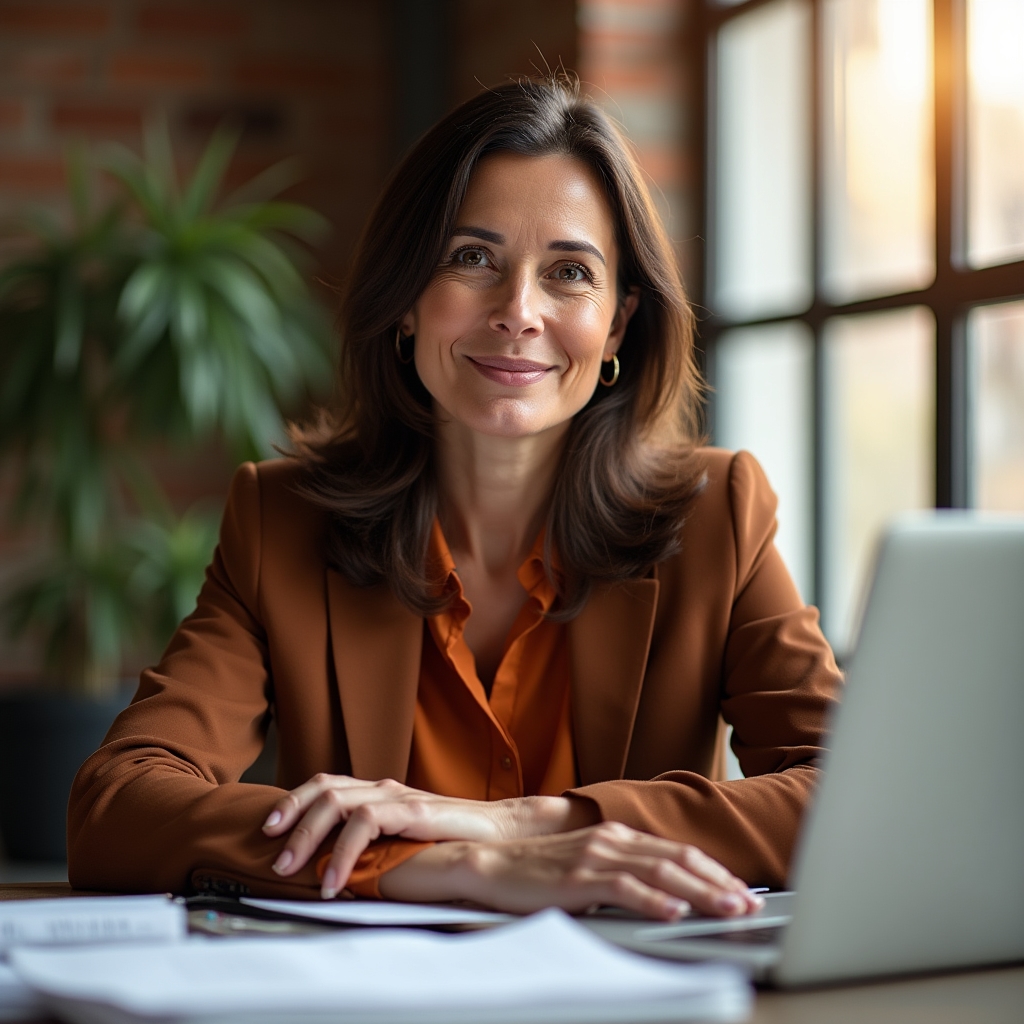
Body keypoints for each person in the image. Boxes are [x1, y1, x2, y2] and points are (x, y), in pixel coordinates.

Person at [68, 76, 841, 921]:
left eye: (569, 273)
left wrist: (521, 826)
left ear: (618, 323)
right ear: (405, 301)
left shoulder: (717, 514)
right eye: (471, 258)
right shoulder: (282, 521)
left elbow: (855, 794)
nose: (518, 312)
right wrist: (431, 865)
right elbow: (117, 806)